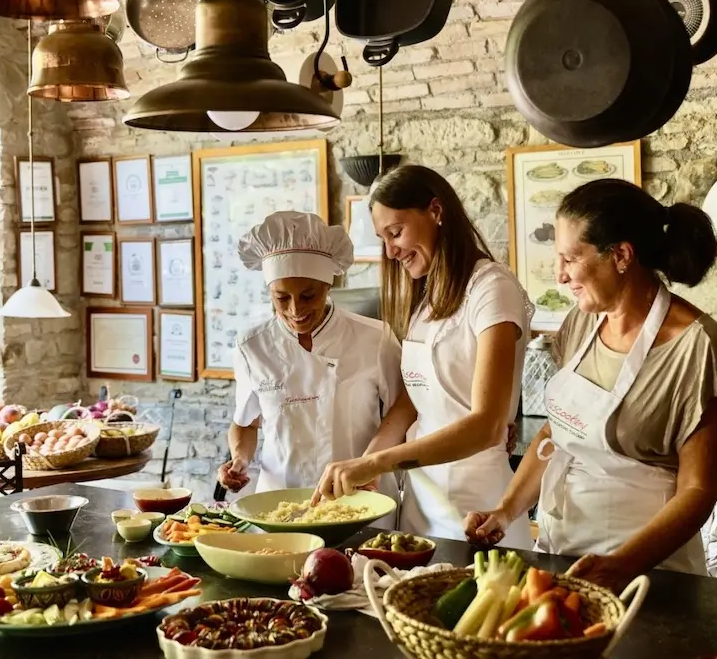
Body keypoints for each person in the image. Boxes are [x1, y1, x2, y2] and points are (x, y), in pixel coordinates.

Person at [464, 179, 717, 591]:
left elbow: (699, 490)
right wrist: (505, 512)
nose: (559, 276)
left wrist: (621, 565)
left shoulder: (700, 347)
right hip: (562, 555)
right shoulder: (581, 322)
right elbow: (556, 434)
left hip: (648, 575)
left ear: (622, 255)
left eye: (570, 259)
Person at [312, 165, 534, 549]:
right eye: (382, 238)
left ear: (436, 211)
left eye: (395, 233)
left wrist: (381, 462)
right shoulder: (425, 301)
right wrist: (371, 456)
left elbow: (488, 425)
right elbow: (414, 401)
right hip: (420, 503)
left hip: (476, 505)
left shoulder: (492, 289)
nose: (390, 251)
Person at [217, 211, 401, 521]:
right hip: (281, 504)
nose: (295, 309)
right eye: (281, 297)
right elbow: (246, 423)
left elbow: (404, 412)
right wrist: (239, 459)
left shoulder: (374, 338)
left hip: (361, 500)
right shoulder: (253, 346)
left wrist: (374, 464)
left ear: (328, 287)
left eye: (308, 295)